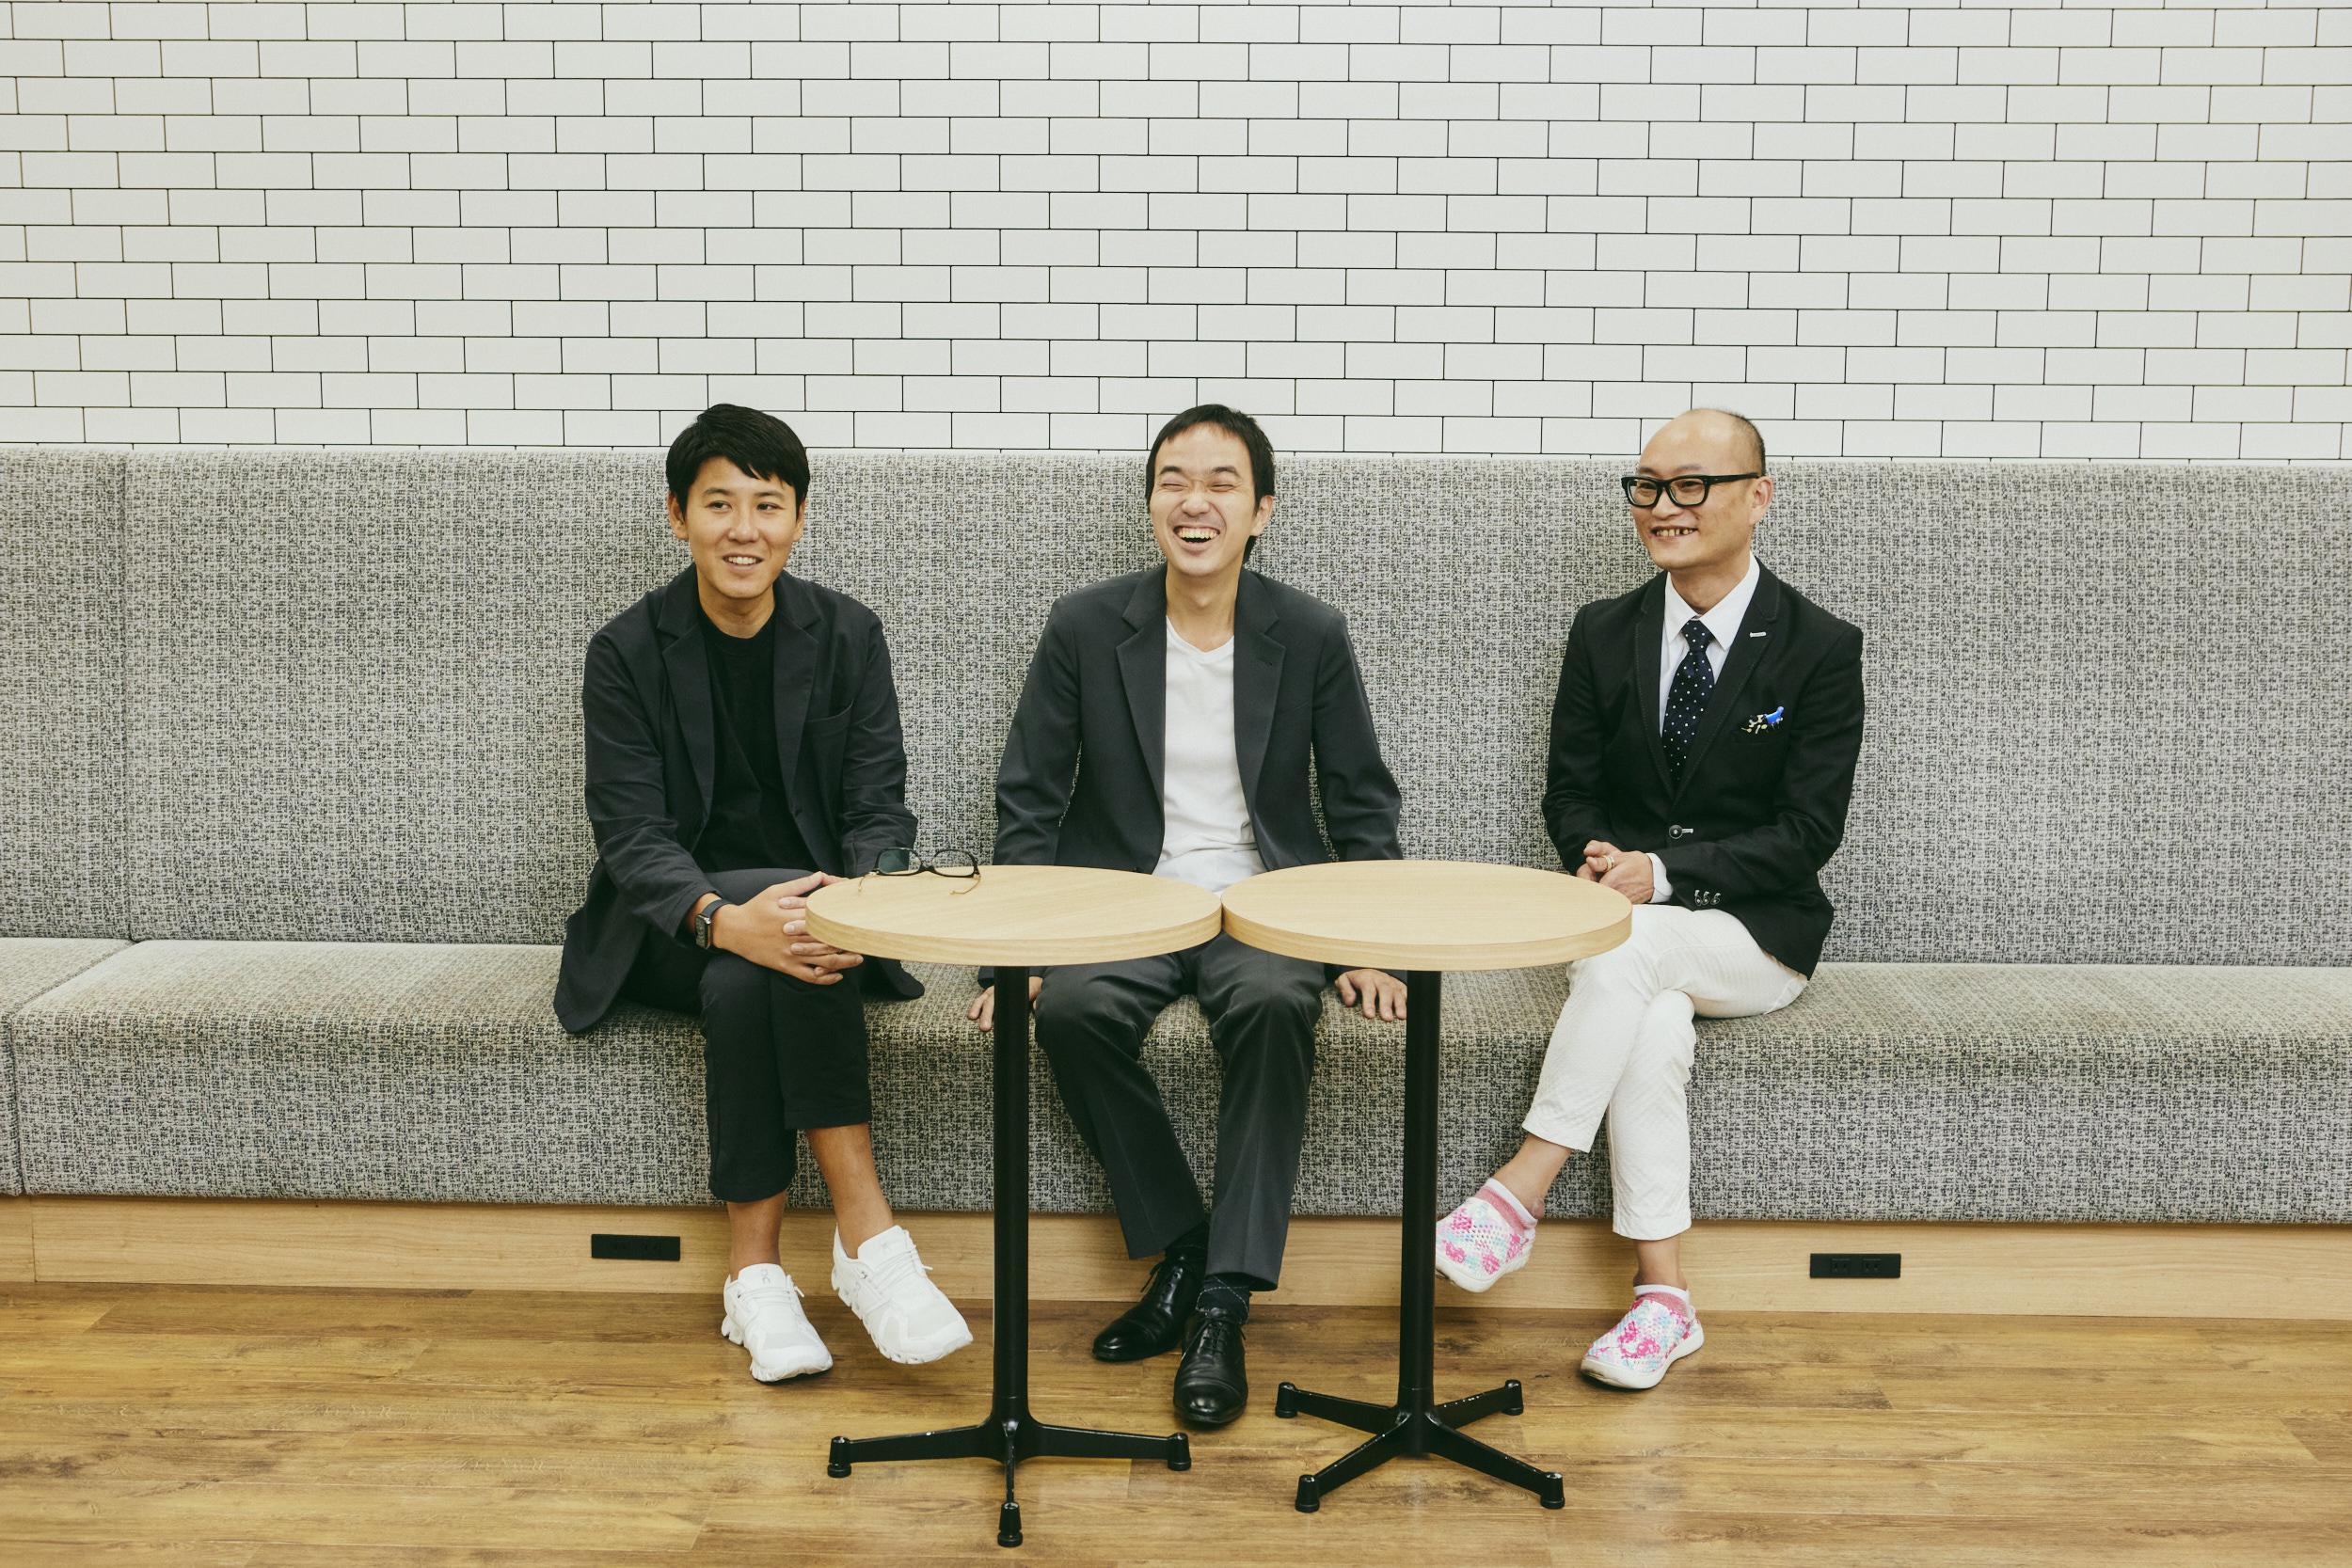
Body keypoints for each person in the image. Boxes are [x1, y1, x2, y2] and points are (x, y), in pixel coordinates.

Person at [970, 404, 1406, 1426]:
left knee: (1273, 1004)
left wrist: (1366, 942)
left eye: (1220, 482)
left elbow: (1361, 799)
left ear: (1261, 510)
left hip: (1261, 904)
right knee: (1070, 1010)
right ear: (1150, 502)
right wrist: (1020, 949)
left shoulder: (1308, 631)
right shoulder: (1086, 625)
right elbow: (1028, 795)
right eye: (1173, 480)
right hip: (1126, 903)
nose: (1193, 501)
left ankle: (1219, 1302)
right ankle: (1183, 1242)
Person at [1436, 408, 1865, 1390]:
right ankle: (1663, 1300)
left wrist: (1661, 876)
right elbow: (1569, 791)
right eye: (1647, 486)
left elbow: (1807, 832)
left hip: (1758, 935)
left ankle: (1519, 1189)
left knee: (1629, 947)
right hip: (1626, 929)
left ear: (1758, 496)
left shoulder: (1818, 646)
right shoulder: (1603, 630)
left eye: (1691, 485)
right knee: (1655, 1019)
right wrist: (1593, 855)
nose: (1664, 506)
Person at [556, 404, 970, 1383]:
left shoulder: (849, 635)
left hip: (810, 930)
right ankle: (868, 1237)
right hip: (668, 930)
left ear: (799, 518)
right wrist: (721, 918)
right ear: (677, 516)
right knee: (766, 934)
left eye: (768, 505)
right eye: (719, 504)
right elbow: (632, 835)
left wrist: (854, 907)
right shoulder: (625, 651)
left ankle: (754, 1275)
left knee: (765, 964)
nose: (744, 529)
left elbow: (878, 807)